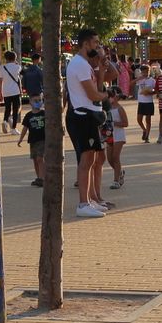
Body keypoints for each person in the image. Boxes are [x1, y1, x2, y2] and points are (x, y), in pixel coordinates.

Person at [65, 29, 108, 217]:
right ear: (86, 44)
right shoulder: (79, 64)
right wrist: (107, 95)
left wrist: (101, 67)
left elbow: (96, 89)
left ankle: (89, 200)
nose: (98, 47)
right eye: (96, 43)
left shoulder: (85, 64)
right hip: (81, 115)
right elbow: (93, 94)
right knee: (86, 160)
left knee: (91, 159)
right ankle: (83, 204)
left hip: (87, 115)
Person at [17, 94, 46, 186]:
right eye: (35, 101)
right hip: (33, 140)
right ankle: (39, 177)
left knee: (40, 158)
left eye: (40, 100)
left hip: (43, 139)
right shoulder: (28, 115)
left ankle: (42, 178)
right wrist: (21, 139)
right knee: (35, 159)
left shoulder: (44, 113)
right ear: (30, 102)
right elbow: (25, 128)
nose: (38, 102)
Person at [105, 89, 128, 189]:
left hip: (119, 135)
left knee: (115, 156)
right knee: (109, 159)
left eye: (111, 96)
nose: (109, 98)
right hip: (109, 135)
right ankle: (119, 173)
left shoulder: (120, 109)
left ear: (116, 97)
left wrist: (114, 123)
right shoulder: (106, 109)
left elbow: (125, 123)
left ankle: (116, 181)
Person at [0, 50, 23, 133]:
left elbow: (0, 81)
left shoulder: (1, 67)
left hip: (6, 91)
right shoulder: (18, 67)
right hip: (15, 91)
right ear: (15, 58)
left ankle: (5, 121)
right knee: (16, 109)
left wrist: (0, 92)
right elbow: (19, 76)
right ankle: (13, 128)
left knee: (7, 108)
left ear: (6, 58)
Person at [135, 65, 156, 141]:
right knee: (139, 119)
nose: (145, 73)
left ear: (149, 72)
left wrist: (150, 93)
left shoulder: (152, 80)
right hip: (141, 102)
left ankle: (147, 136)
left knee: (148, 119)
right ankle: (144, 129)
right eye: (143, 72)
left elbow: (156, 90)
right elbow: (130, 84)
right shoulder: (140, 80)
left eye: (146, 72)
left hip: (149, 102)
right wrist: (139, 78)